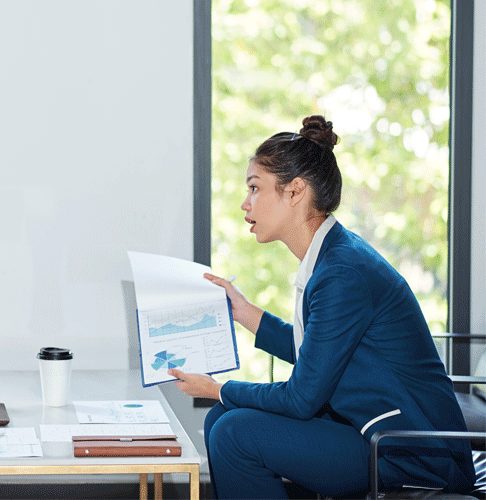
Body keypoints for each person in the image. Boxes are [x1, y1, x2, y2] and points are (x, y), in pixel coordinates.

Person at [169, 115, 475, 498]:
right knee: (222, 418)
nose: (245, 203)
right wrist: (243, 311)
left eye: (254, 188)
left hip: (411, 450)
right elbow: (316, 353)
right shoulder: (332, 257)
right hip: (367, 429)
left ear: (295, 191)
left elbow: (301, 398)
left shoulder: (342, 272)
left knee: (233, 430)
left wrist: (218, 388)